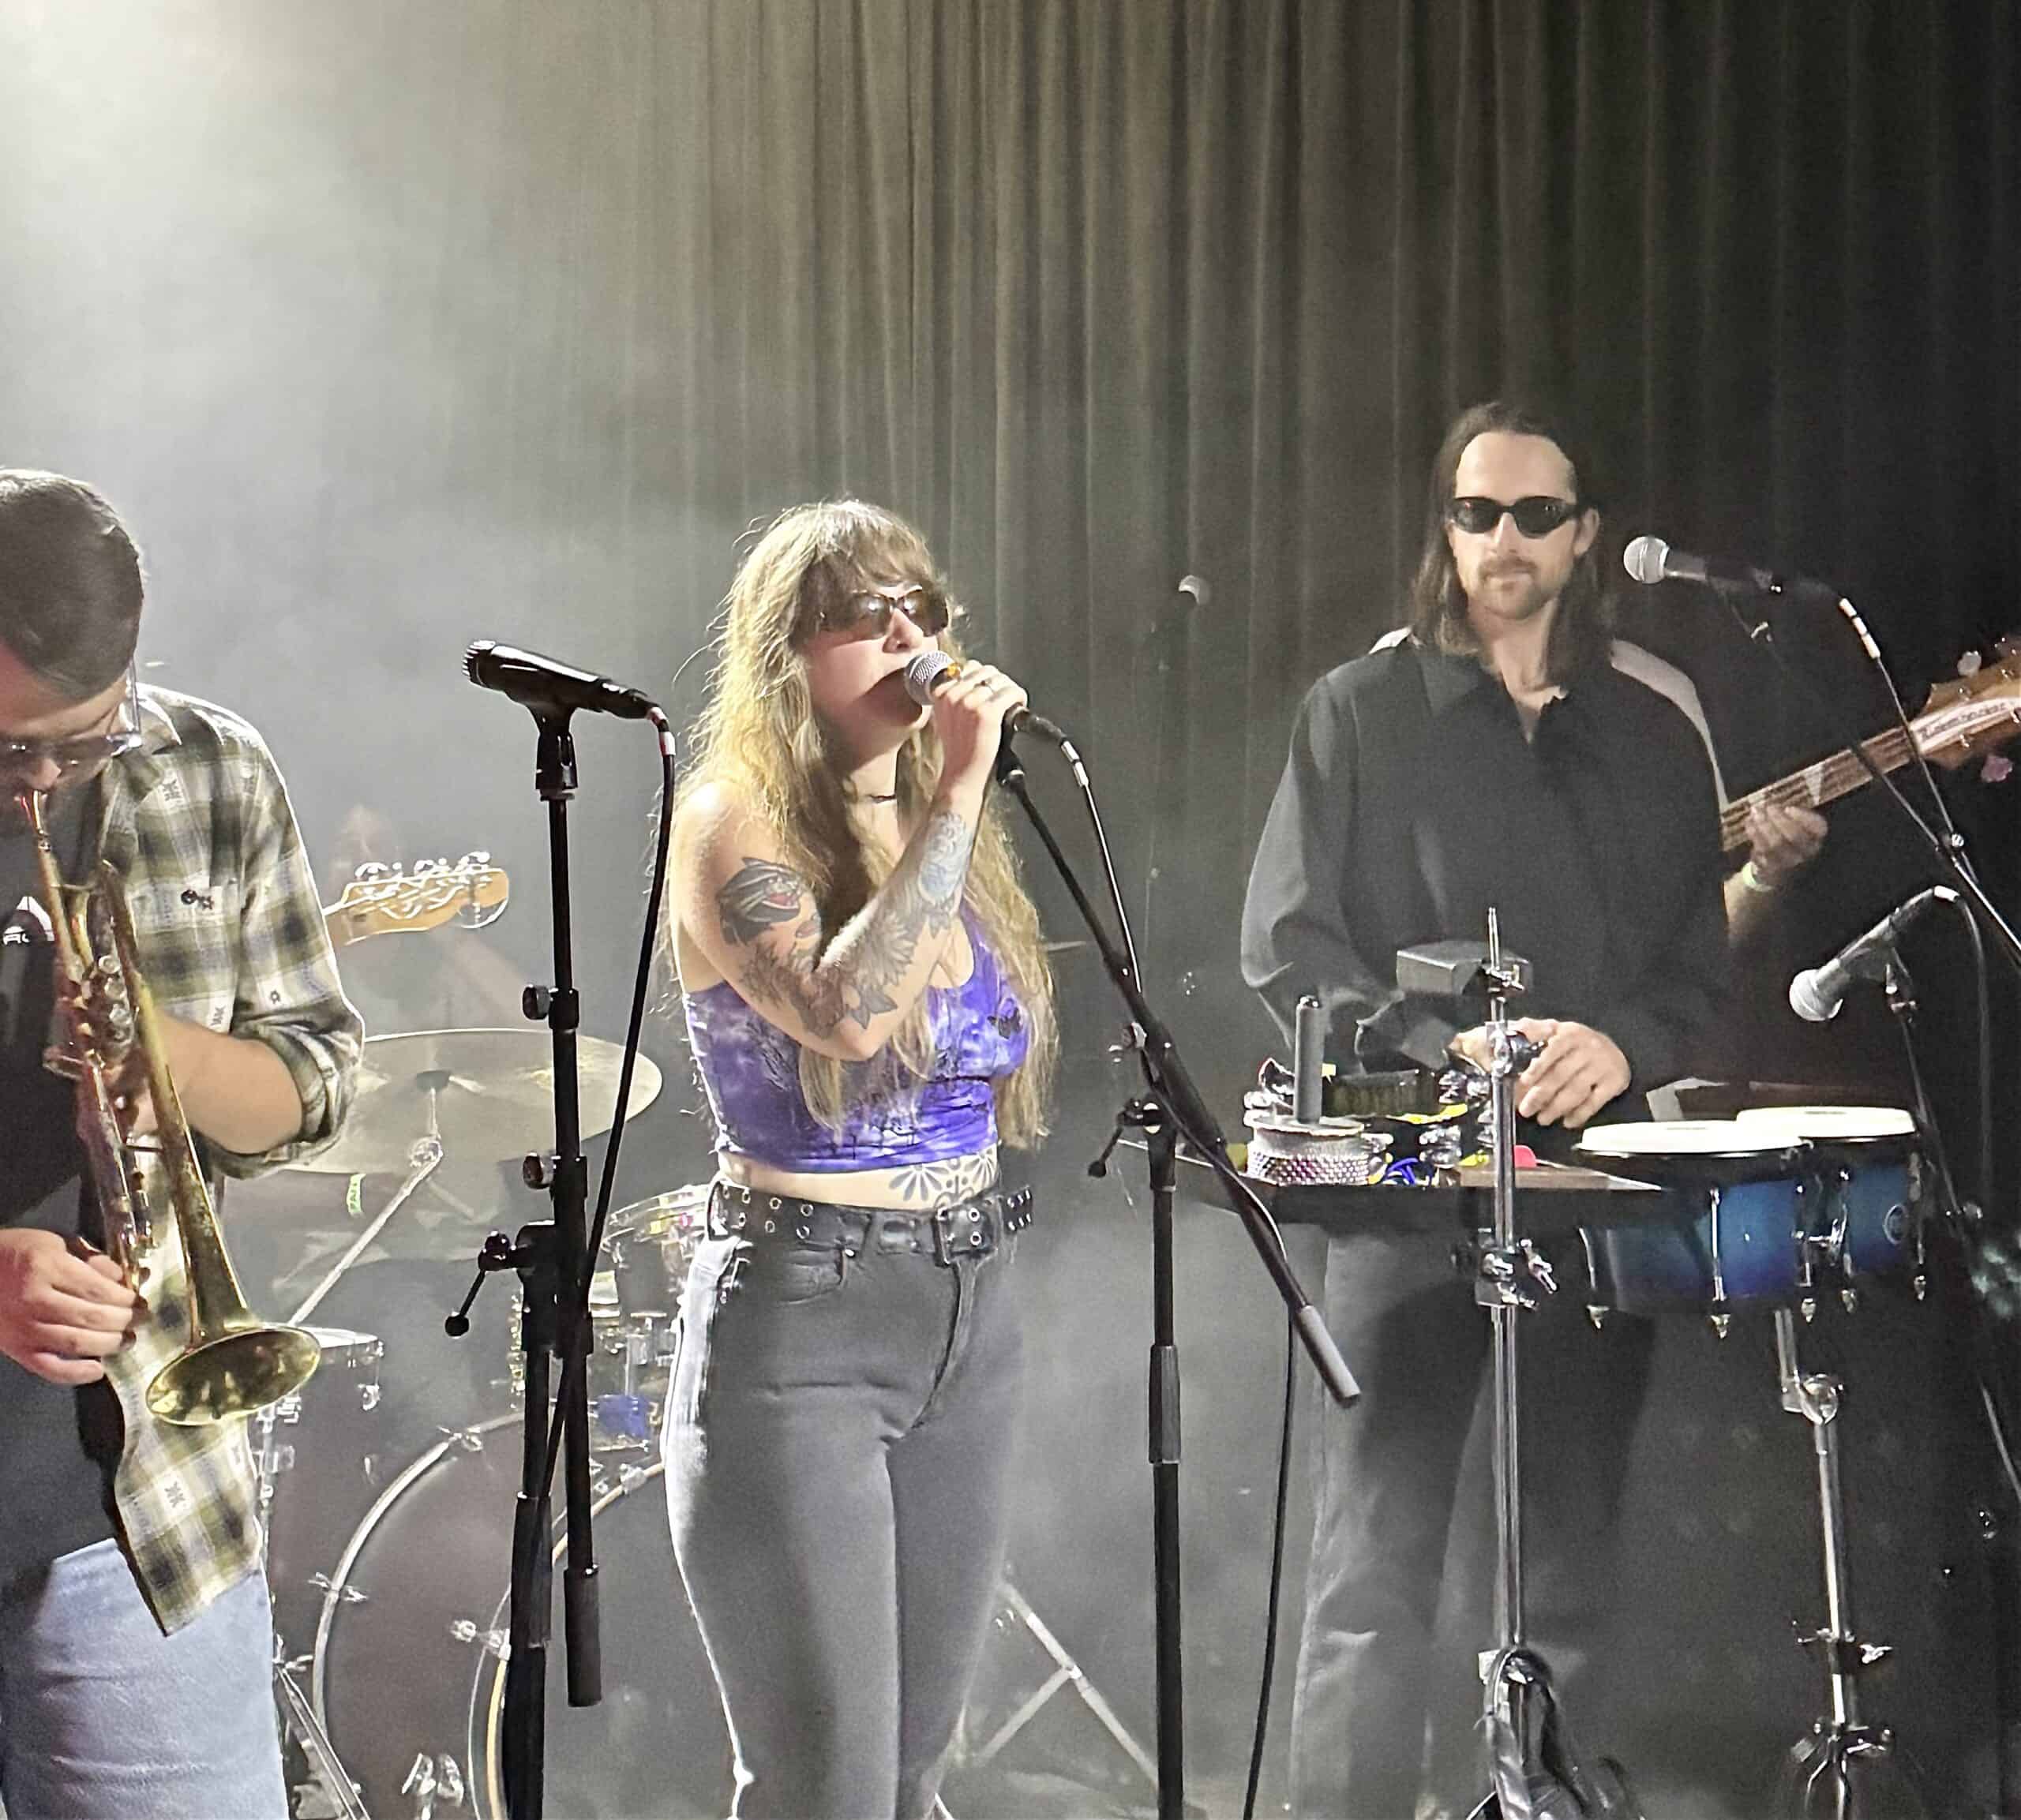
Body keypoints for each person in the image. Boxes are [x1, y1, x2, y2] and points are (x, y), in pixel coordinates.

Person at [1241, 402, 1731, 1817]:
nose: (1502, 540)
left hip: (1589, 1185)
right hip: (1406, 1180)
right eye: (1476, 513)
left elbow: (1695, 973)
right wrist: (1438, 1044)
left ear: (1586, 535)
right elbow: (1286, 941)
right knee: (1374, 1562)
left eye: (1534, 515)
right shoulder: (1358, 708)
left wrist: (1617, 1047)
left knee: (1566, 1558)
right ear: (1444, 530)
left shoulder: (1653, 728)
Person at [661, 499, 1058, 1819]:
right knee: (826, 1786)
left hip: (970, 1304)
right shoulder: (731, 819)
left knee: (910, 1772)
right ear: (786, 652)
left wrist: (946, 807)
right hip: (806, 1319)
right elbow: (846, 1013)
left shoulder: (945, 834)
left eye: (921, 609)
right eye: (860, 616)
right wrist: (957, 789)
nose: (904, 637)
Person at [0, 470, 361, 1817]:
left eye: (81, 742)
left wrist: (166, 1054)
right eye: (8, 752)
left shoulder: (213, 768)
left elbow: (315, 1080)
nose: (42, 785)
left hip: (141, 1505)